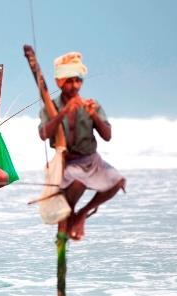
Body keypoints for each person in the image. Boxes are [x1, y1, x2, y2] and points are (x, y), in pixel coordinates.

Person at [38, 52, 126, 240]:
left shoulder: (90, 105)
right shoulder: (51, 107)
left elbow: (107, 136)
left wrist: (94, 115)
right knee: (76, 186)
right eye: (69, 81)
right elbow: (43, 134)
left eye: (78, 81)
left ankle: (82, 215)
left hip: (92, 161)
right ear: (60, 83)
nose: (75, 86)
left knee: (118, 181)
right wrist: (62, 114)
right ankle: (64, 230)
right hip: (67, 164)